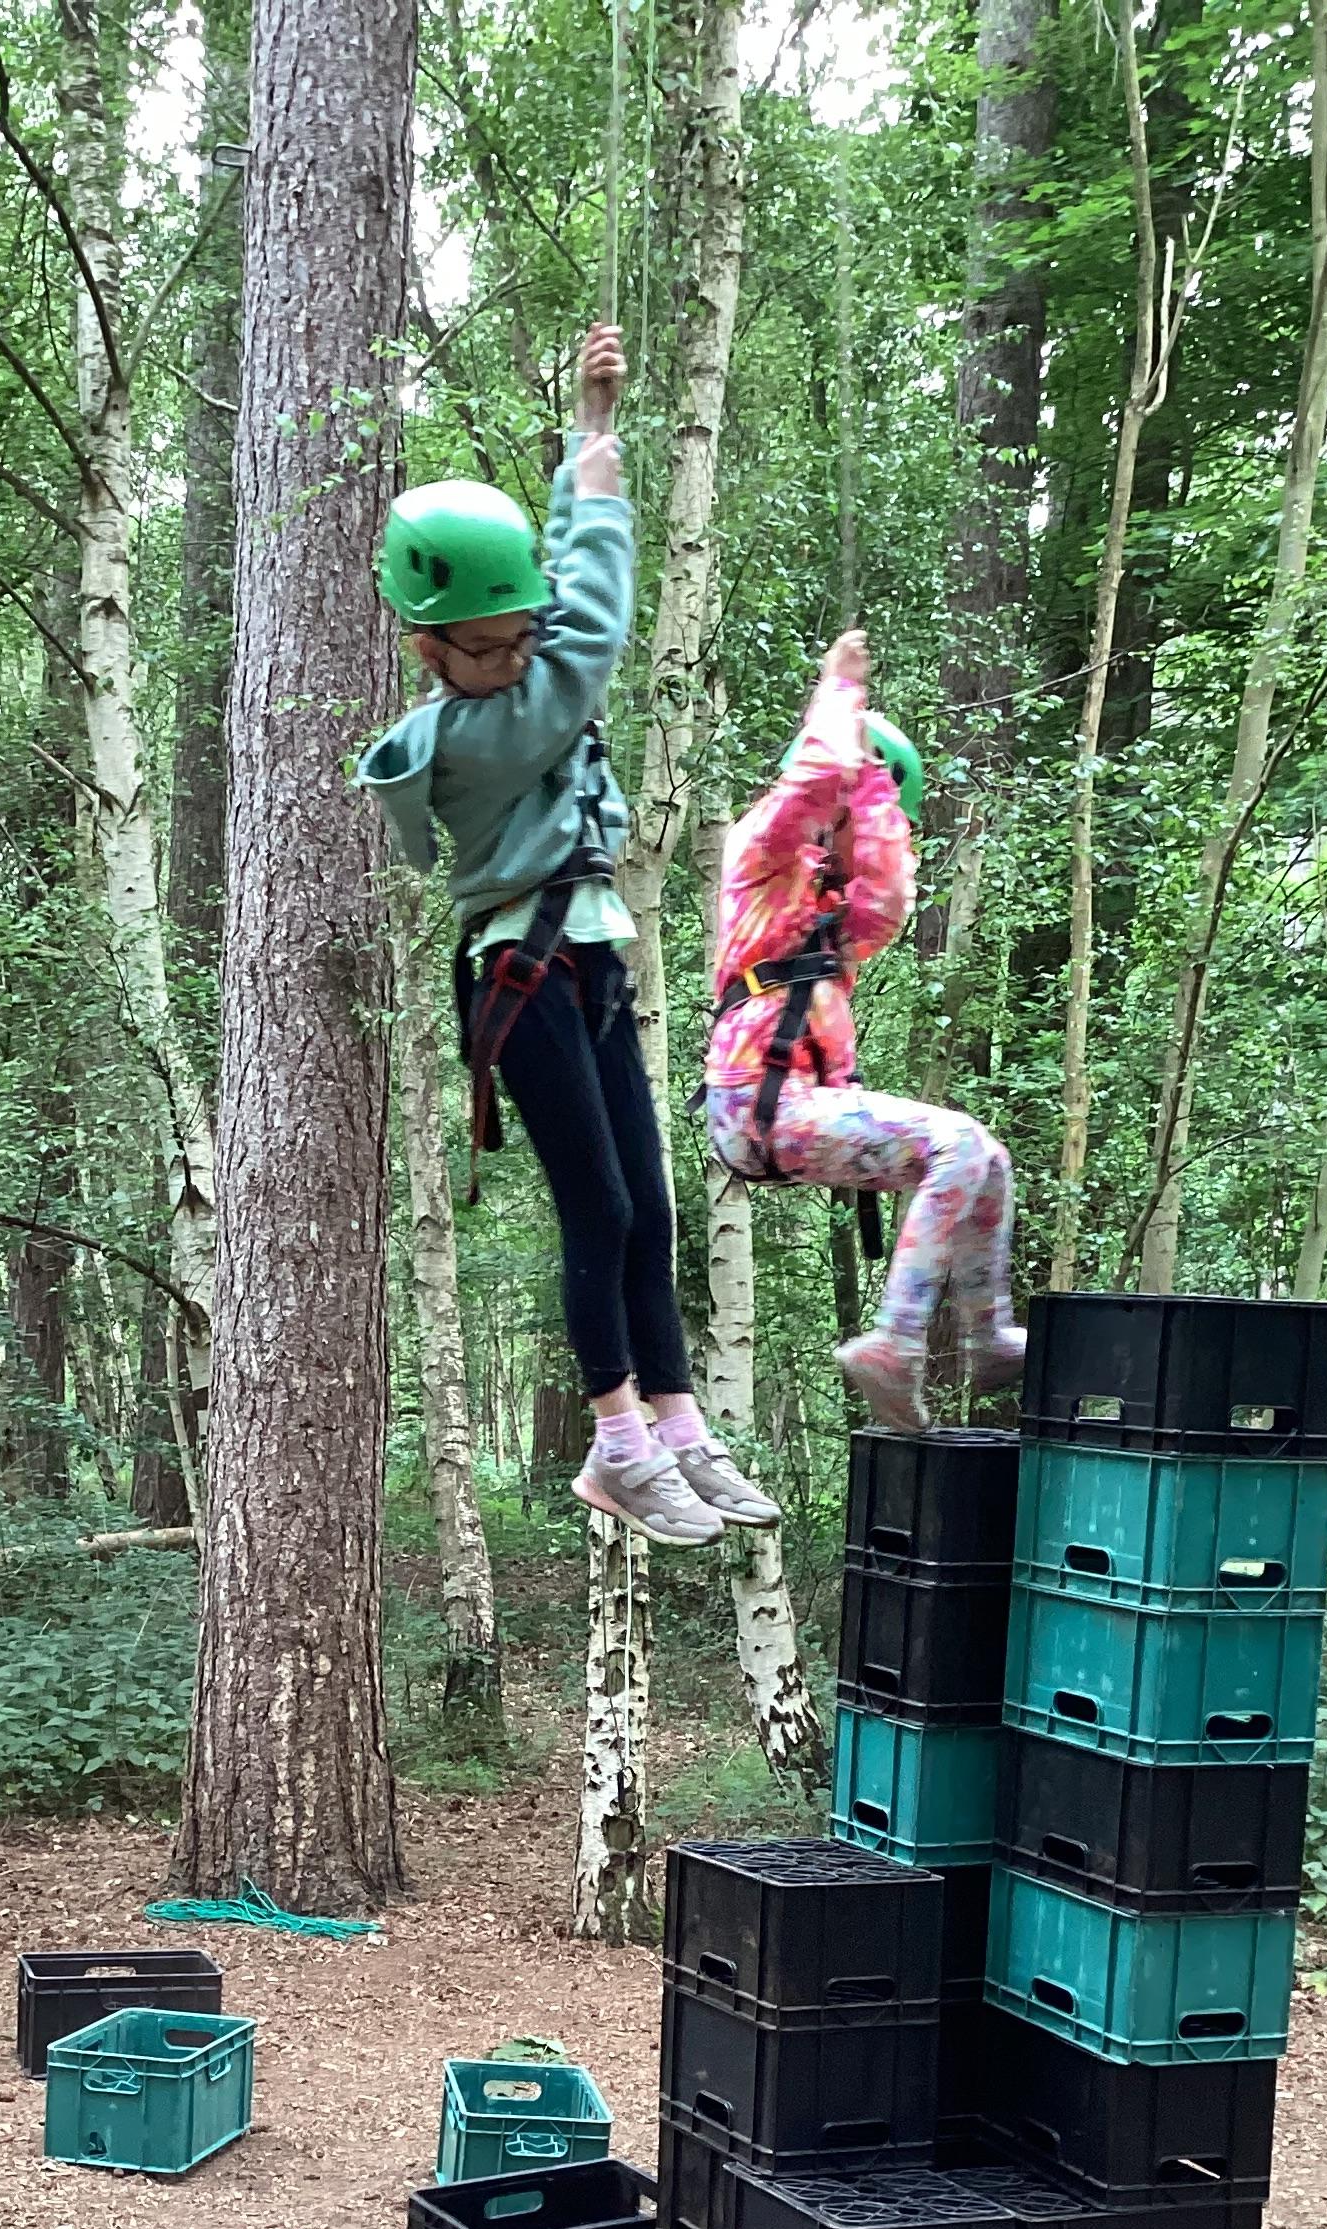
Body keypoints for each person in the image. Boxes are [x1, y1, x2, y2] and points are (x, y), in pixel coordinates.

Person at [357, 325, 774, 1549]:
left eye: (519, 635)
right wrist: (594, 455)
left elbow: (562, 617)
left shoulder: (518, 684)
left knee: (648, 1204)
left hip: (585, 963)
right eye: (487, 648)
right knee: (596, 1205)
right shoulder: (478, 735)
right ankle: (614, 1446)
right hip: (520, 975)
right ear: (426, 647)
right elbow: (594, 620)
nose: (516, 658)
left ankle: (678, 1427)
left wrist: (585, 442)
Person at [705, 630, 1024, 1434]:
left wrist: (875, 810)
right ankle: (895, 1342)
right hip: (755, 1102)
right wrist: (840, 691)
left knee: (986, 1158)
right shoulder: (762, 856)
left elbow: (887, 904)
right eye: (869, 820)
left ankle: (988, 1336)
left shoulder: (833, 914)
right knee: (957, 1142)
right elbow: (811, 785)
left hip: (792, 1106)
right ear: (837, 809)